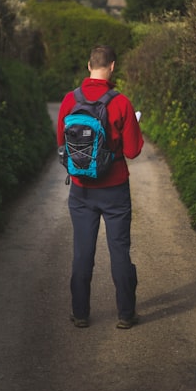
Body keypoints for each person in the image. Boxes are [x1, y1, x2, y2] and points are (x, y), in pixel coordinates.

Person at [57, 45, 144, 329]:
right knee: (119, 250)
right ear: (113, 67)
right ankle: (125, 314)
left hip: (81, 189)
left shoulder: (70, 100)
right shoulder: (121, 103)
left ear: (88, 65)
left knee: (83, 252)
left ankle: (80, 313)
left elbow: (61, 144)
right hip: (115, 188)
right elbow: (132, 150)